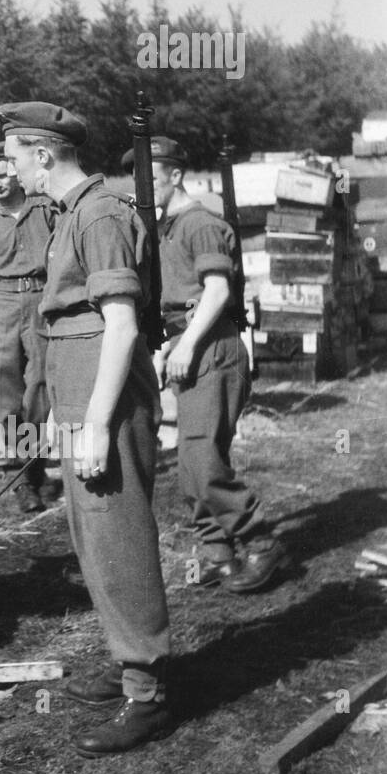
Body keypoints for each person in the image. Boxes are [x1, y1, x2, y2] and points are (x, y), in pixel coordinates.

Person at [0, 101, 173, 756]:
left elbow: (122, 325)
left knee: (118, 533)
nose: (11, 169)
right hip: (77, 374)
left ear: (43, 153)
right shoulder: (76, 212)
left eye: (15, 156)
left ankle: (149, 694)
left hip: (103, 384)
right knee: (91, 533)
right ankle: (130, 665)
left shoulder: (100, 213)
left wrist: (96, 425)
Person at [125, 136, 286, 594]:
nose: (144, 191)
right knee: (193, 465)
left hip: (213, 349)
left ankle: (261, 539)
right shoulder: (165, 227)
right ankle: (218, 553)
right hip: (187, 348)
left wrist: (185, 346)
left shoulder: (198, 223)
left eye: (151, 180)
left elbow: (215, 292)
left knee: (200, 457)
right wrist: (164, 349)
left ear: (175, 177)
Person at [0, 142, 59, 512]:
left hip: (40, 301)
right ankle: (15, 476)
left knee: (39, 388)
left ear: (16, 173)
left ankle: (33, 468)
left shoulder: (46, 209)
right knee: (2, 391)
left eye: (3, 175)